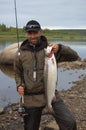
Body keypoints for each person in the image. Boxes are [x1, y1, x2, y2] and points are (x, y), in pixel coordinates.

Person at [14, 20, 80, 130]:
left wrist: (60, 48)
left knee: (70, 123)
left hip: (51, 94)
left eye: (35, 32)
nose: (33, 36)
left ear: (40, 32)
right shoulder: (20, 53)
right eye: (30, 33)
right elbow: (17, 72)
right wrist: (19, 85)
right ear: (26, 34)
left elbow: (74, 57)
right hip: (31, 98)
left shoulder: (51, 51)